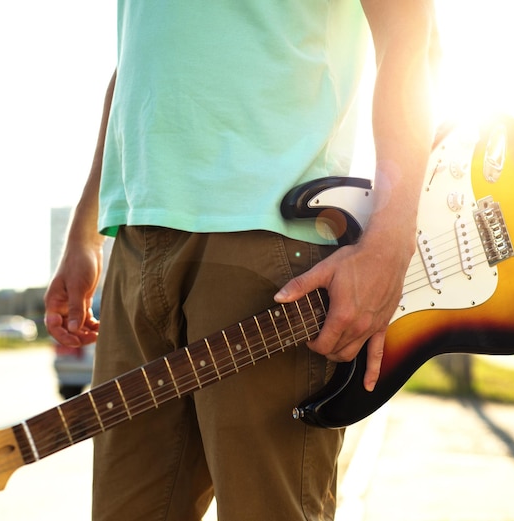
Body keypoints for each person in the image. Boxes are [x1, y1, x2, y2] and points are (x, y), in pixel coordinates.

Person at [45, 1, 440, 519]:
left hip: (269, 238)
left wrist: (391, 238)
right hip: (135, 240)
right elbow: (139, 61)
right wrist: (84, 230)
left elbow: (409, 25)